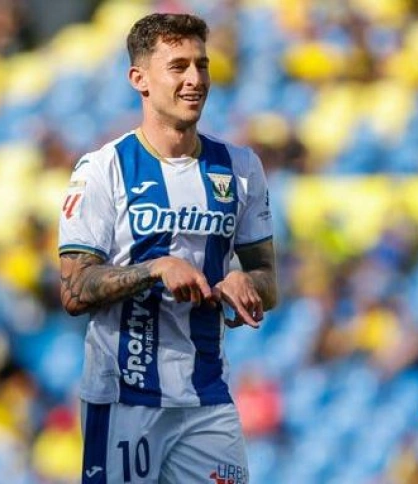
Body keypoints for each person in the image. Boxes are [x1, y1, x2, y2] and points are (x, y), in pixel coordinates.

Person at [58, 13, 276, 484]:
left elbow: (267, 279)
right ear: (140, 79)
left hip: (207, 397)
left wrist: (246, 281)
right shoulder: (103, 169)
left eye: (202, 65)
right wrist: (153, 269)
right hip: (124, 398)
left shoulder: (240, 167)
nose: (195, 79)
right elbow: (74, 291)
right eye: (178, 66)